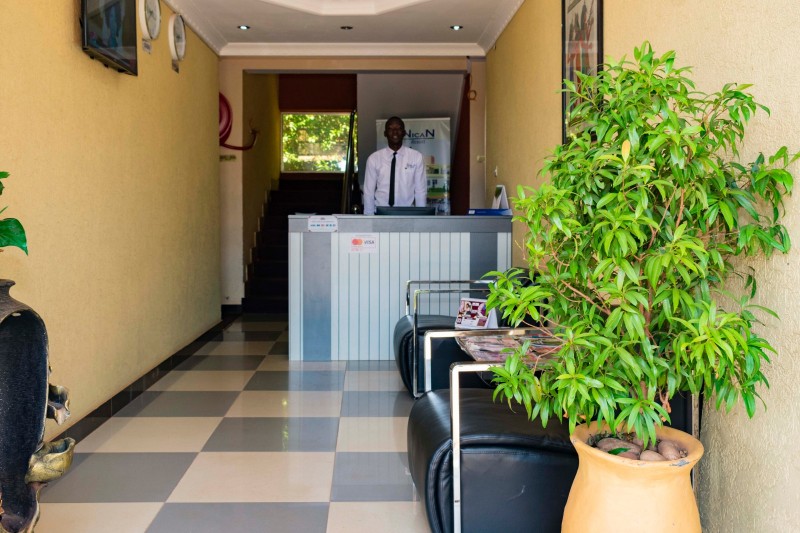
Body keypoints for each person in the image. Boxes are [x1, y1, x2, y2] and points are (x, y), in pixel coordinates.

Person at [362, 117, 427, 215]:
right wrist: (369, 219)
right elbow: (368, 192)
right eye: (390, 129)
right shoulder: (374, 159)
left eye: (399, 128)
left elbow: (420, 191)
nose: (395, 132)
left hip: (407, 214)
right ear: (385, 133)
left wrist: (420, 218)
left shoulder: (416, 157)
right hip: (381, 213)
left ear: (404, 133)